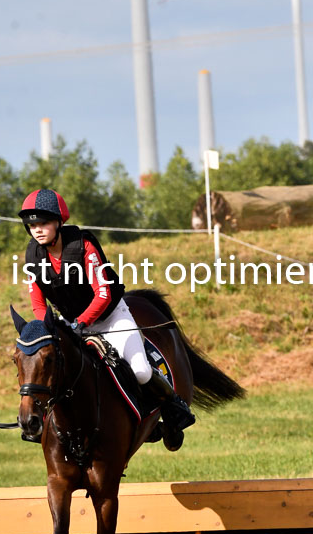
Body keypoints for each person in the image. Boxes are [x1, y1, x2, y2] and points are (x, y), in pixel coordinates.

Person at [19, 187, 195, 440]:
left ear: (59, 222)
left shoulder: (83, 246)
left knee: (140, 371)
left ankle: (172, 409)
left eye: (44, 222)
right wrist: (48, 327)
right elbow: (37, 301)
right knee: (54, 372)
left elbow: (103, 294)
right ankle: (40, 425)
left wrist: (82, 323)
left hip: (111, 318)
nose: (37, 229)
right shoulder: (33, 256)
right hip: (71, 324)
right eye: (31, 224)